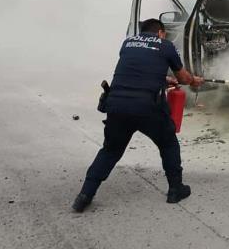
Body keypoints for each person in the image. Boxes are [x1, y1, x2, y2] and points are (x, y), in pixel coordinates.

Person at [72, 18, 204, 213]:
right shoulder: (165, 45)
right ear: (160, 33)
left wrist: (161, 79)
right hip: (147, 107)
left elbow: (138, 69)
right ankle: (175, 189)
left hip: (116, 105)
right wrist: (193, 80)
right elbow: (183, 78)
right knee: (168, 143)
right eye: (163, 34)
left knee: (110, 151)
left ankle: (84, 195)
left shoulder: (127, 43)